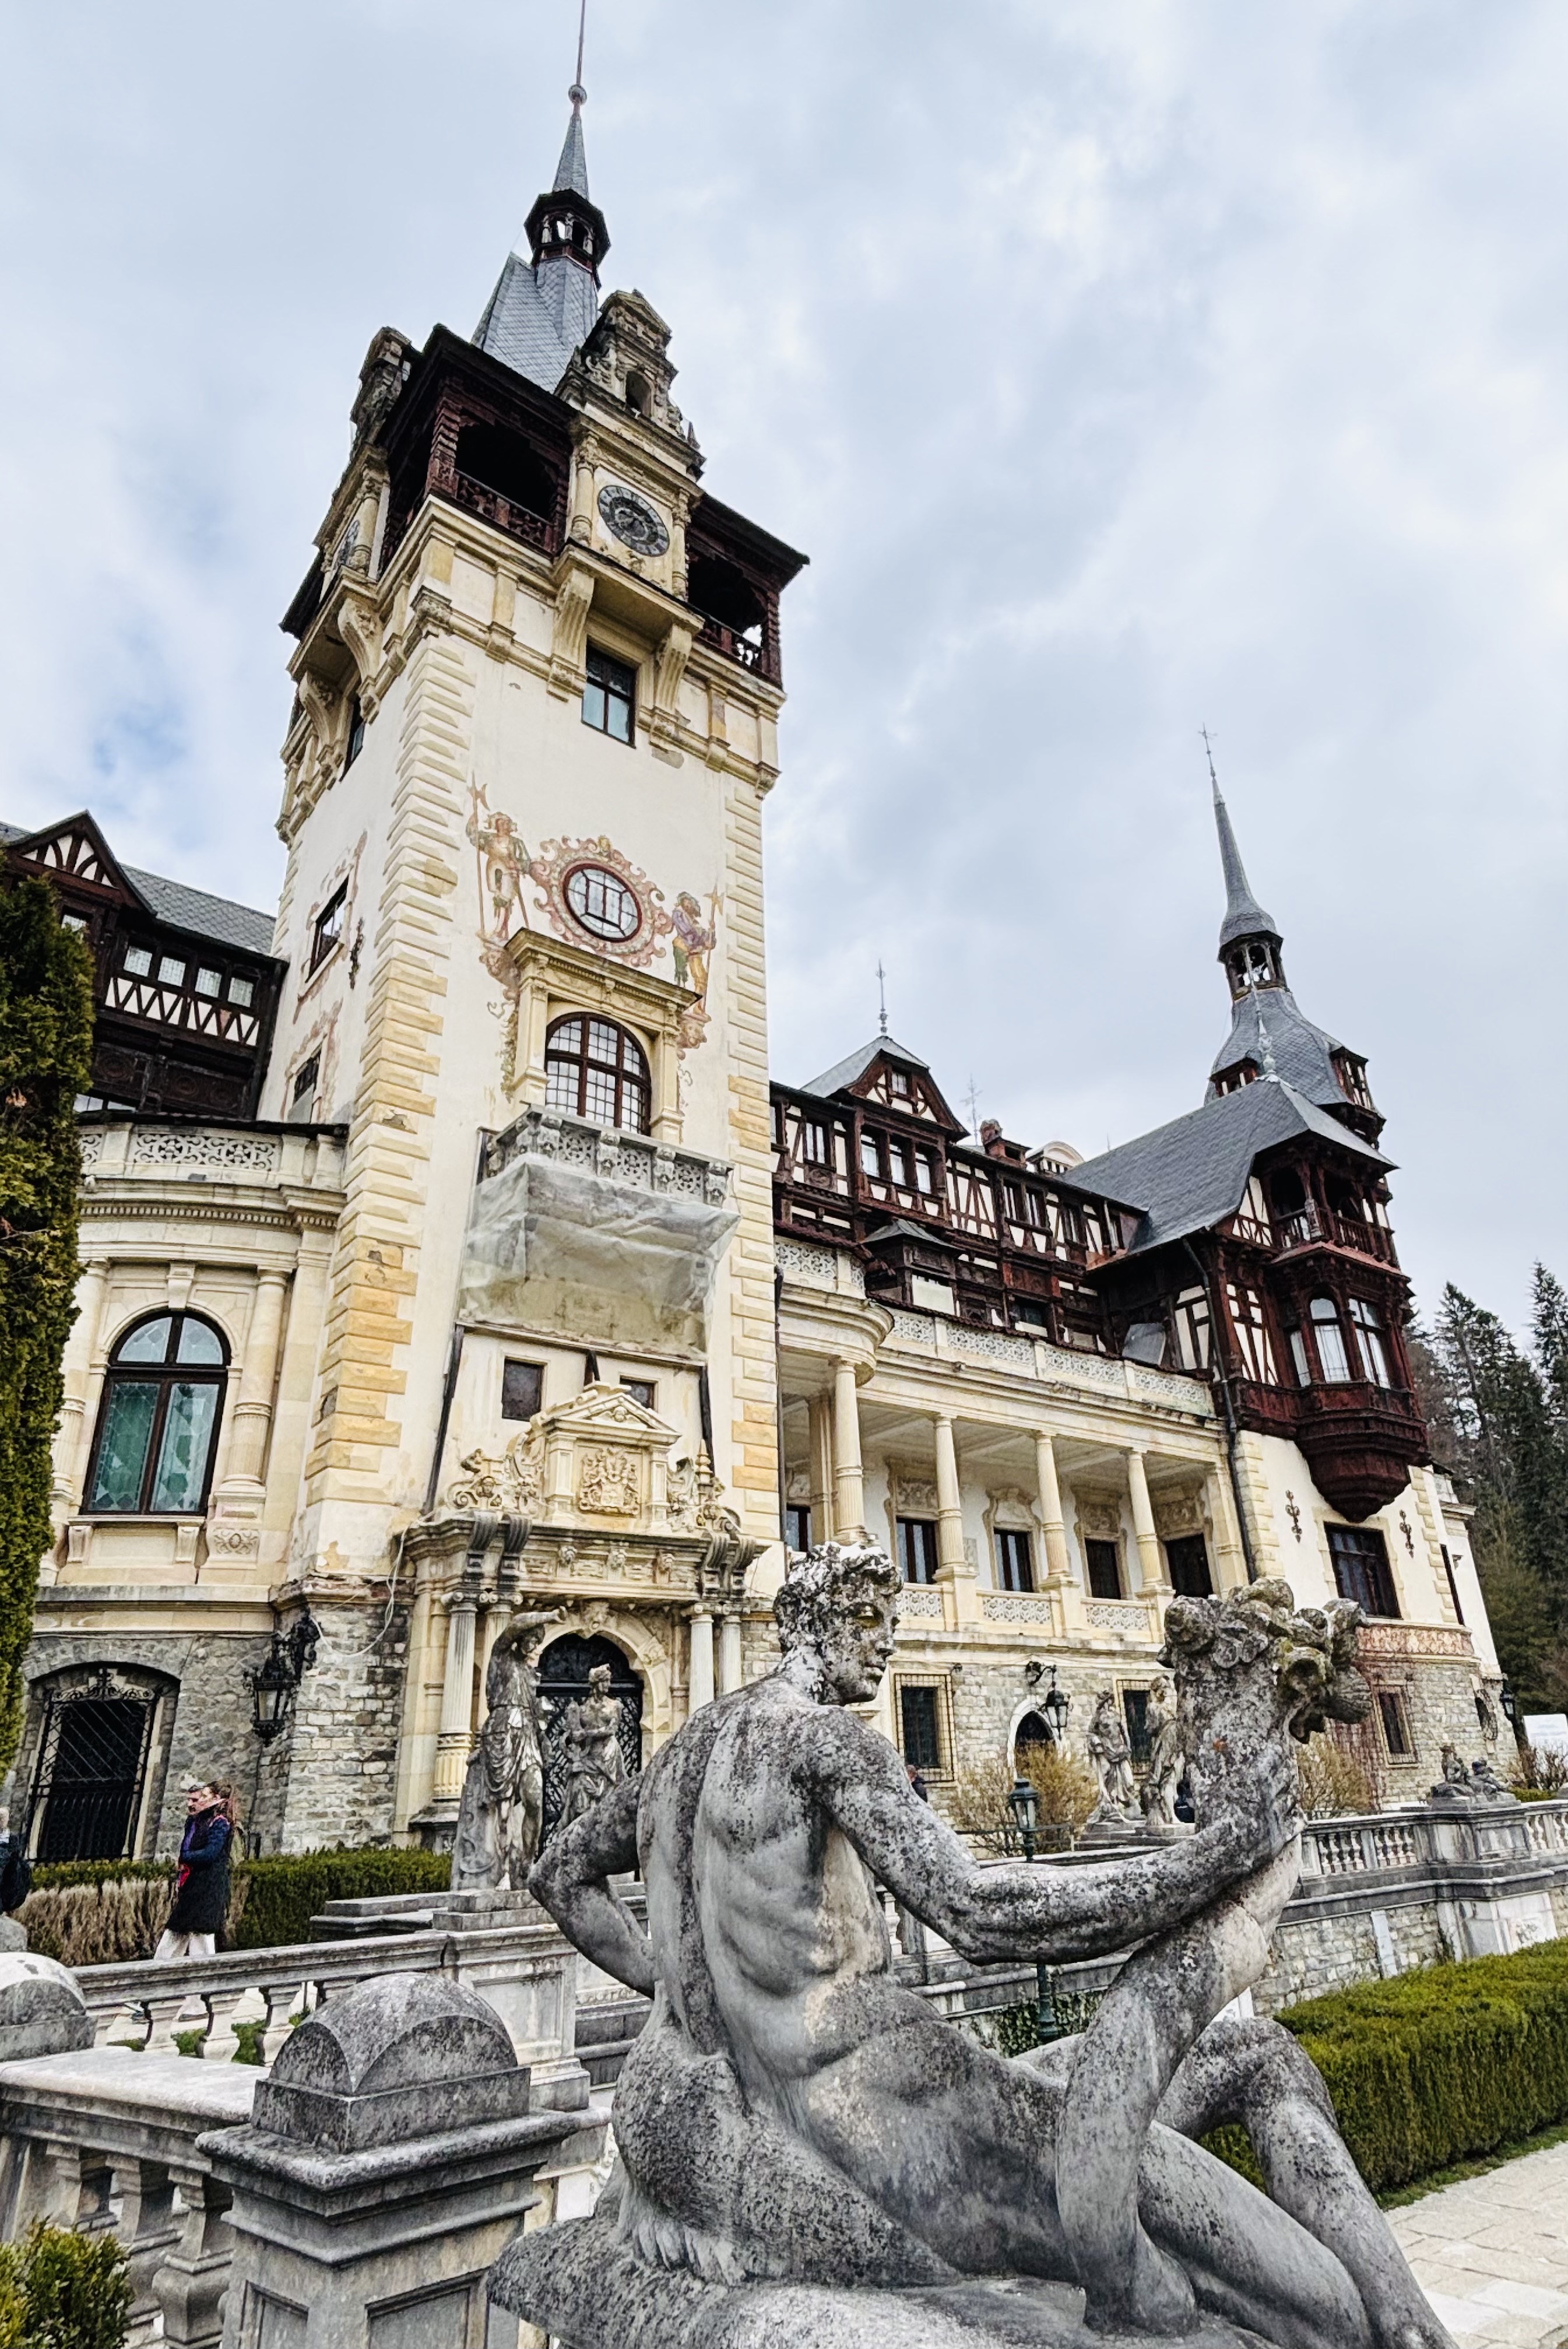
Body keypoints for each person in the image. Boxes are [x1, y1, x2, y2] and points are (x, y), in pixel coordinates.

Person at [532, 1542, 1454, 2349]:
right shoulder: (823, 1742)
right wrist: (1213, 1858)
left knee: (1254, 2051)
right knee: (1311, 2299)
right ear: (814, 1625)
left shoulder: (677, 1756)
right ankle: (1403, 2329)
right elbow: (981, 1913)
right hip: (885, 2121)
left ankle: (1408, 2321)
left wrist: (675, 1989)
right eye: (869, 1620)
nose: (885, 1642)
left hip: (785, 2107)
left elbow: (559, 1874)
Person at [154, 1782, 235, 1960]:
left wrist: (186, 1857)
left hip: (209, 1886)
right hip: (192, 1884)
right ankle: (159, 1969)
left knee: (201, 1935)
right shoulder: (195, 1821)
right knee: (176, 1931)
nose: (193, 1803)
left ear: (216, 1799)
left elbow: (210, 1854)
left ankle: (202, 1974)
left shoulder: (220, 1823)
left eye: (202, 1797)